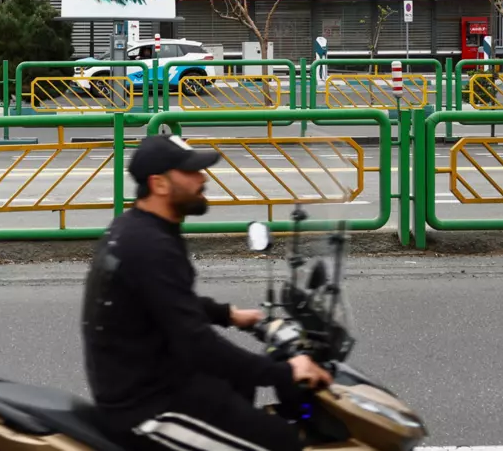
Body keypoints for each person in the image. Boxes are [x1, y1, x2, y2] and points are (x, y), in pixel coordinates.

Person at [82, 134, 332, 451]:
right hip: (146, 407)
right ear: (159, 184)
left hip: (150, 377)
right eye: (192, 173)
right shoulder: (151, 247)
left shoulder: (135, 228)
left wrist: (228, 315)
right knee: (282, 442)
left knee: (237, 383)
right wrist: (284, 371)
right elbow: (198, 344)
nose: (203, 179)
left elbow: (165, 301)